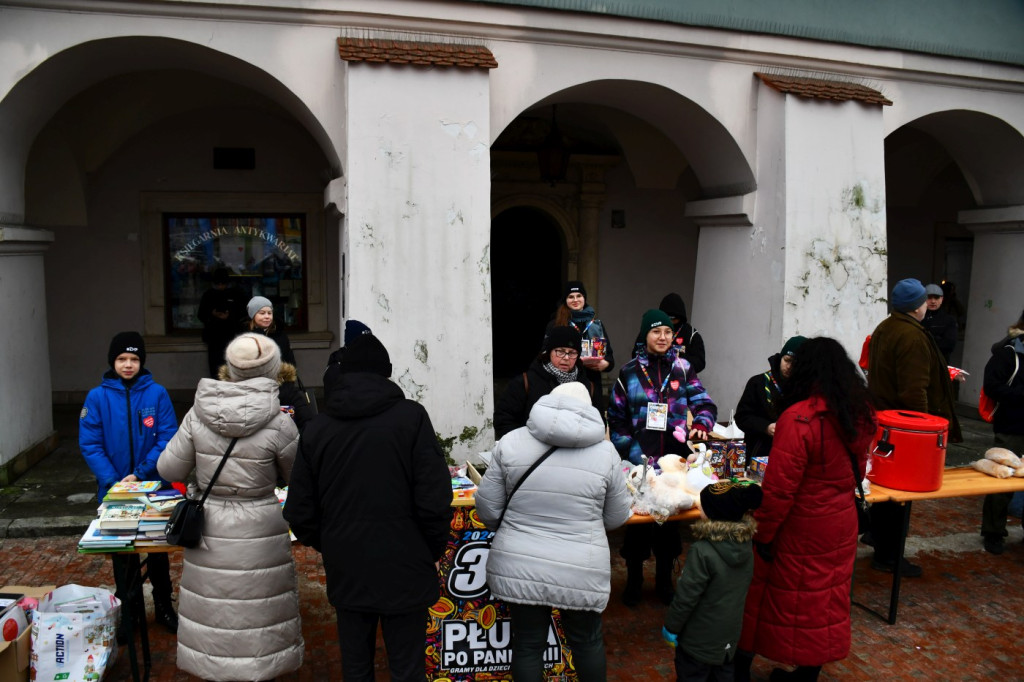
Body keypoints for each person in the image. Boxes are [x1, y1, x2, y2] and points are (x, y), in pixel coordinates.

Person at [284, 333, 452, 682]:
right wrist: (430, 547)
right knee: (407, 669)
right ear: (385, 372)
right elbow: (435, 496)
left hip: (349, 563)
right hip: (406, 561)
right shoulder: (412, 417)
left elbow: (300, 509)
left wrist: (331, 542)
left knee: (357, 668)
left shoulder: (319, 428)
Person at [157, 333, 303, 680]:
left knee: (216, 612)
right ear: (272, 370)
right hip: (260, 527)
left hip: (211, 527)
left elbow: (168, 469)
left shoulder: (197, 414)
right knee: (259, 614)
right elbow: (297, 477)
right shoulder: (280, 422)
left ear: (231, 370)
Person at [735, 337, 877, 682]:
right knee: (824, 600)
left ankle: (738, 667)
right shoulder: (857, 412)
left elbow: (780, 488)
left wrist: (763, 533)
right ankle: (807, 673)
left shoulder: (799, 418)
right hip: (840, 522)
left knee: (764, 596)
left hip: (800, 527)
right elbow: (858, 468)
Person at [476, 381, 632, 682]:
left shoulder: (511, 442)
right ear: (589, 411)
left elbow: (488, 510)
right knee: (587, 643)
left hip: (520, 564)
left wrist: (514, 526)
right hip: (581, 567)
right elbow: (616, 516)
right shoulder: (606, 453)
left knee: (527, 645)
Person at [609, 309, 717, 606]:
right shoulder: (629, 371)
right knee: (639, 524)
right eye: (656, 332)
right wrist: (632, 453)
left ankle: (664, 581)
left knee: (669, 524)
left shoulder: (683, 368)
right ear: (645, 335)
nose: (663, 337)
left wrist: (701, 425)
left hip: (673, 463)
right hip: (640, 463)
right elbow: (616, 419)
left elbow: (704, 402)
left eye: (668, 332)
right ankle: (633, 580)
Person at [79, 331, 179, 634]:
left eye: (134, 359)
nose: (128, 364)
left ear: (142, 361)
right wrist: (112, 480)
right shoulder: (97, 397)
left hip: (154, 486)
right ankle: (130, 610)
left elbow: (167, 436)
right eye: (122, 359)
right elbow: (91, 443)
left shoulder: (157, 393)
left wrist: (142, 471)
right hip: (114, 489)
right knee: (123, 553)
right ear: (113, 361)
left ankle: (164, 604)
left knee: (158, 550)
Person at [867, 278, 961, 577]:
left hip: (886, 420)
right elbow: (913, 389)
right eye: (923, 300)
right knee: (900, 493)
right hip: (906, 427)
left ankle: (877, 539)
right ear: (917, 306)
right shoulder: (912, 336)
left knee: (885, 486)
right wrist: (922, 430)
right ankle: (889, 555)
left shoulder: (886, 327)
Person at [662, 481, 763, 682]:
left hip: (697, 641)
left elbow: (686, 597)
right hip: (728, 640)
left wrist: (672, 627)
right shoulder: (746, 545)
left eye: (703, 505)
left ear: (713, 514)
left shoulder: (703, 551)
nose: (699, 507)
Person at [494, 325, 601, 440]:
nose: (566, 357)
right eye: (560, 351)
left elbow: (598, 424)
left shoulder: (588, 387)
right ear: (549, 352)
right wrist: (524, 444)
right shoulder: (525, 383)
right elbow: (503, 419)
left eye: (572, 353)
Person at [979, 308, 1024, 555]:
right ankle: (993, 532)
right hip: (1012, 427)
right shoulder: (1008, 353)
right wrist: (1020, 396)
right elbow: (991, 385)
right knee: (1002, 482)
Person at [734, 336, 807, 463]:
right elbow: (742, 417)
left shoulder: (805, 389)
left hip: (793, 457)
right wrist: (766, 427)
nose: (789, 366)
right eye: (787, 360)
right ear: (781, 357)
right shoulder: (758, 383)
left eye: (796, 363)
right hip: (759, 456)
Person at [547, 281, 615, 409]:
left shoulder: (596, 324)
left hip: (591, 383)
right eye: (571, 296)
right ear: (565, 300)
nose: (575, 299)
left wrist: (604, 364)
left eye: (579, 296)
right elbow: (544, 354)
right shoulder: (555, 324)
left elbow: (610, 359)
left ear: (584, 298)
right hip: (563, 384)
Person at [632, 293, 706, 374]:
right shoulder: (650, 328)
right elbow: (635, 354)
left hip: (680, 380)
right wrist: (655, 355)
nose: (670, 321)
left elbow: (700, 363)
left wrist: (678, 359)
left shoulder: (691, 334)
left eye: (674, 318)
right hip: (651, 376)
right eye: (667, 317)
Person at [196, 267, 246, 377]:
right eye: (218, 284)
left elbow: (242, 313)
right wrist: (213, 314)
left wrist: (229, 316)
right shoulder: (209, 295)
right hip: (214, 337)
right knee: (216, 368)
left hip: (230, 335)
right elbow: (201, 314)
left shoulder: (235, 294)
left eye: (222, 283)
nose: (220, 286)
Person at [246, 295, 297, 366]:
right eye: (262, 313)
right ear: (253, 315)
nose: (267, 316)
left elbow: (290, 363)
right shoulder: (245, 338)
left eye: (269, 313)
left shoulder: (280, 335)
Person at [920, 283, 958, 363]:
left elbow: (949, 345)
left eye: (936, 298)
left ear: (941, 299)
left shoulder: (949, 320)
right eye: (929, 297)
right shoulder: (917, 318)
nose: (933, 301)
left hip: (940, 364)